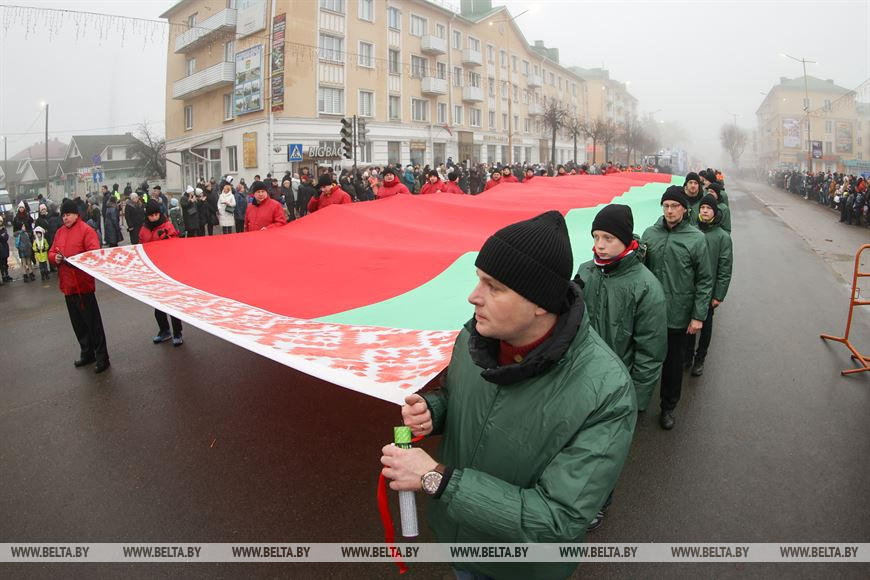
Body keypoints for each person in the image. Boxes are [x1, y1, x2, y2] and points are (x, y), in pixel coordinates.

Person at [381, 211, 636, 580]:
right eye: (477, 280)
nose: (473, 297)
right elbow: (462, 398)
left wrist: (437, 477)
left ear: (540, 303)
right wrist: (435, 411)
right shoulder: (473, 338)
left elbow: (556, 520)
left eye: (494, 286)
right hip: (460, 543)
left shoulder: (607, 391)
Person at [574, 204, 667, 529]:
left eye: (608, 238)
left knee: (602, 454)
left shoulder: (646, 286)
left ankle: (599, 502)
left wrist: (637, 401)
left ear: (625, 241)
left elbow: (650, 352)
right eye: (596, 236)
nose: (599, 244)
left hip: (616, 389)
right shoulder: (585, 272)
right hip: (577, 379)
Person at [641, 186, 713, 430]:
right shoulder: (650, 234)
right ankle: (638, 402)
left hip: (678, 315)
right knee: (644, 360)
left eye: (674, 206)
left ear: (684, 208)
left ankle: (668, 407)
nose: (670, 211)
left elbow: (704, 280)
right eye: (666, 206)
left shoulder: (696, 239)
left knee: (673, 365)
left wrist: (697, 316)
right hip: (650, 313)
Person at [48, 199, 110, 373]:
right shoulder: (59, 233)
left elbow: (93, 253)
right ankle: (87, 352)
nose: (65, 218)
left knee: (92, 323)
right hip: (67, 286)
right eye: (63, 215)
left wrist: (77, 260)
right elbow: (51, 252)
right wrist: (56, 258)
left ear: (76, 214)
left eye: (68, 214)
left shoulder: (86, 230)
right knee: (78, 324)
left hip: (83, 286)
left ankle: (102, 356)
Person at [685, 194, 733, 377]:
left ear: (715, 212)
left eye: (708, 208)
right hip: (689, 288)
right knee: (688, 324)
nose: (704, 211)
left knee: (705, 325)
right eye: (702, 208)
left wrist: (718, 295)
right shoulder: (690, 231)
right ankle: (687, 356)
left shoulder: (722, 237)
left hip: (708, 291)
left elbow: (725, 267)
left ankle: (700, 358)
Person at [139, 200, 184, 346]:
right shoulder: (144, 230)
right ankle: (164, 330)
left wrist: (167, 238)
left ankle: (177, 332)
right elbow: (140, 248)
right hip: (154, 270)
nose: (154, 217)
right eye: (151, 215)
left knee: (173, 304)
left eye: (156, 214)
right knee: (158, 305)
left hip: (168, 269)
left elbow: (176, 243)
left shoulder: (167, 225)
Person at [0, 217, 10, 283]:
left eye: (0, 221)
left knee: (5, 263)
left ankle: (7, 275)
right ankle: (3, 276)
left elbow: (6, 237)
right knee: (1, 264)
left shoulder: (4, 229)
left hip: (5, 248)